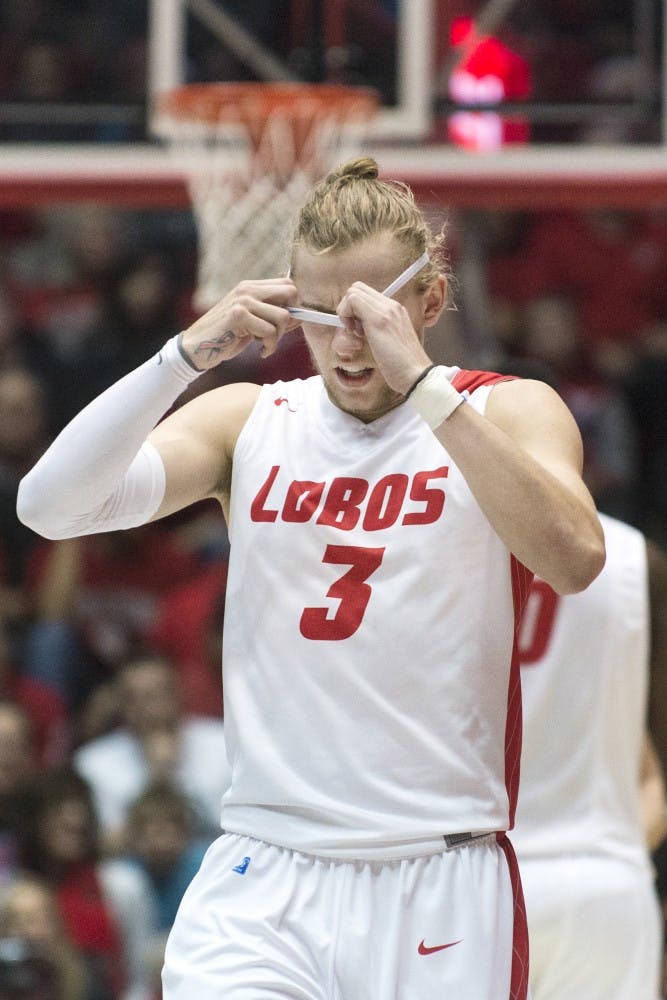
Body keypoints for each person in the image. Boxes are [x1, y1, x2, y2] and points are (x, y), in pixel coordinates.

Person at [16, 157, 605, 1000]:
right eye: (321, 313)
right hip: (266, 870)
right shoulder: (251, 419)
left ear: (428, 303)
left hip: (437, 871)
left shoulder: (505, 410)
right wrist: (181, 359)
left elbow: (573, 558)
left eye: (370, 313)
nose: (347, 341)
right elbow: (50, 507)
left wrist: (427, 389)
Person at [512, 513, 667, 999]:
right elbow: (654, 771)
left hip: (466, 882)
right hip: (604, 885)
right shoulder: (638, 557)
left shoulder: (427, 531)